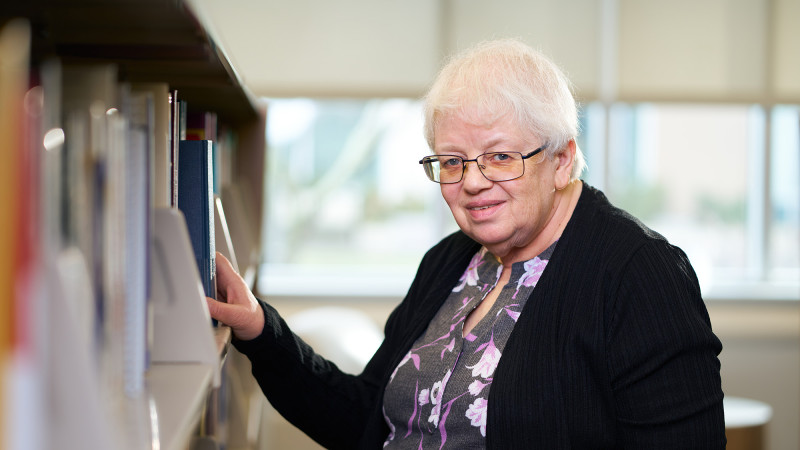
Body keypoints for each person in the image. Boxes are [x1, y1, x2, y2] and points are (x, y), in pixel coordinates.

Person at [206, 38, 726, 449]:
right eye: (452, 161)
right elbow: (368, 421)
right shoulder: (451, 259)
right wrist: (260, 330)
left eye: (500, 156)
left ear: (562, 159)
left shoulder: (639, 273)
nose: (471, 182)